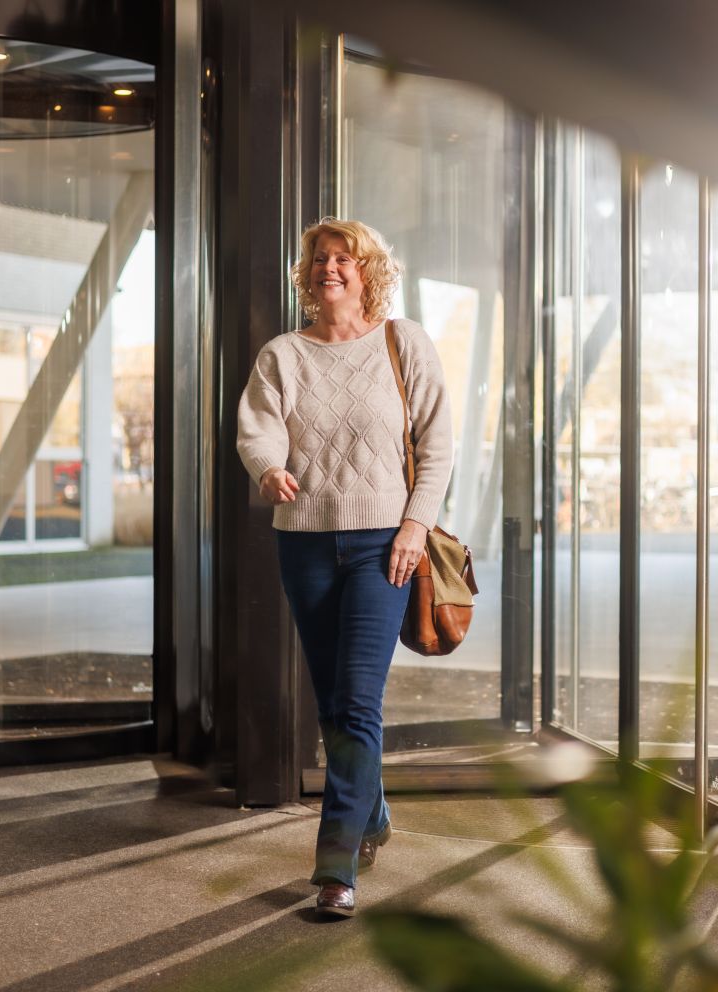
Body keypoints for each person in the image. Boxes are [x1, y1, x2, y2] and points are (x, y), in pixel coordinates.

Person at [235, 218, 453, 918]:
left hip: (382, 546)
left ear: (367, 272)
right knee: (333, 705)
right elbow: (258, 427)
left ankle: (336, 871)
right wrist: (268, 468)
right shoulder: (283, 355)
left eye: (344, 259)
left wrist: (414, 526)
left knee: (358, 701)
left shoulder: (402, 342)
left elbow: (437, 444)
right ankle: (375, 814)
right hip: (304, 543)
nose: (330, 268)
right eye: (320, 259)